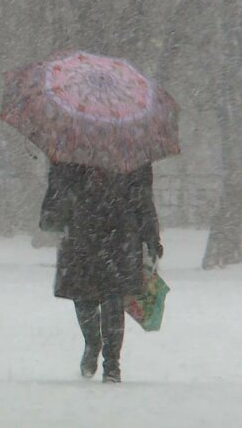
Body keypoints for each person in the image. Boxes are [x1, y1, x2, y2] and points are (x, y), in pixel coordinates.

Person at [40, 162, 162, 383]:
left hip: (116, 235)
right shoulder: (72, 155)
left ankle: (112, 363)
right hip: (86, 235)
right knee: (84, 298)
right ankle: (93, 342)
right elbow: (56, 195)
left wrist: (151, 237)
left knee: (112, 300)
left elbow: (142, 198)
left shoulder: (129, 156)